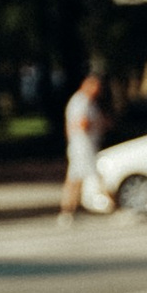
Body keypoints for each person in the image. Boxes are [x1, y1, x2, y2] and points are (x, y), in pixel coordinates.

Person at [61, 67, 110, 222]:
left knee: (76, 179)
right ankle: (112, 205)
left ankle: (69, 210)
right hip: (82, 146)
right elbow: (80, 124)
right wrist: (97, 123)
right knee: (95, 175)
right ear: (87, 85)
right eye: (95, 86)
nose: (97, 90)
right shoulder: (80, 101)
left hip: (85, 145)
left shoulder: (88, 102)